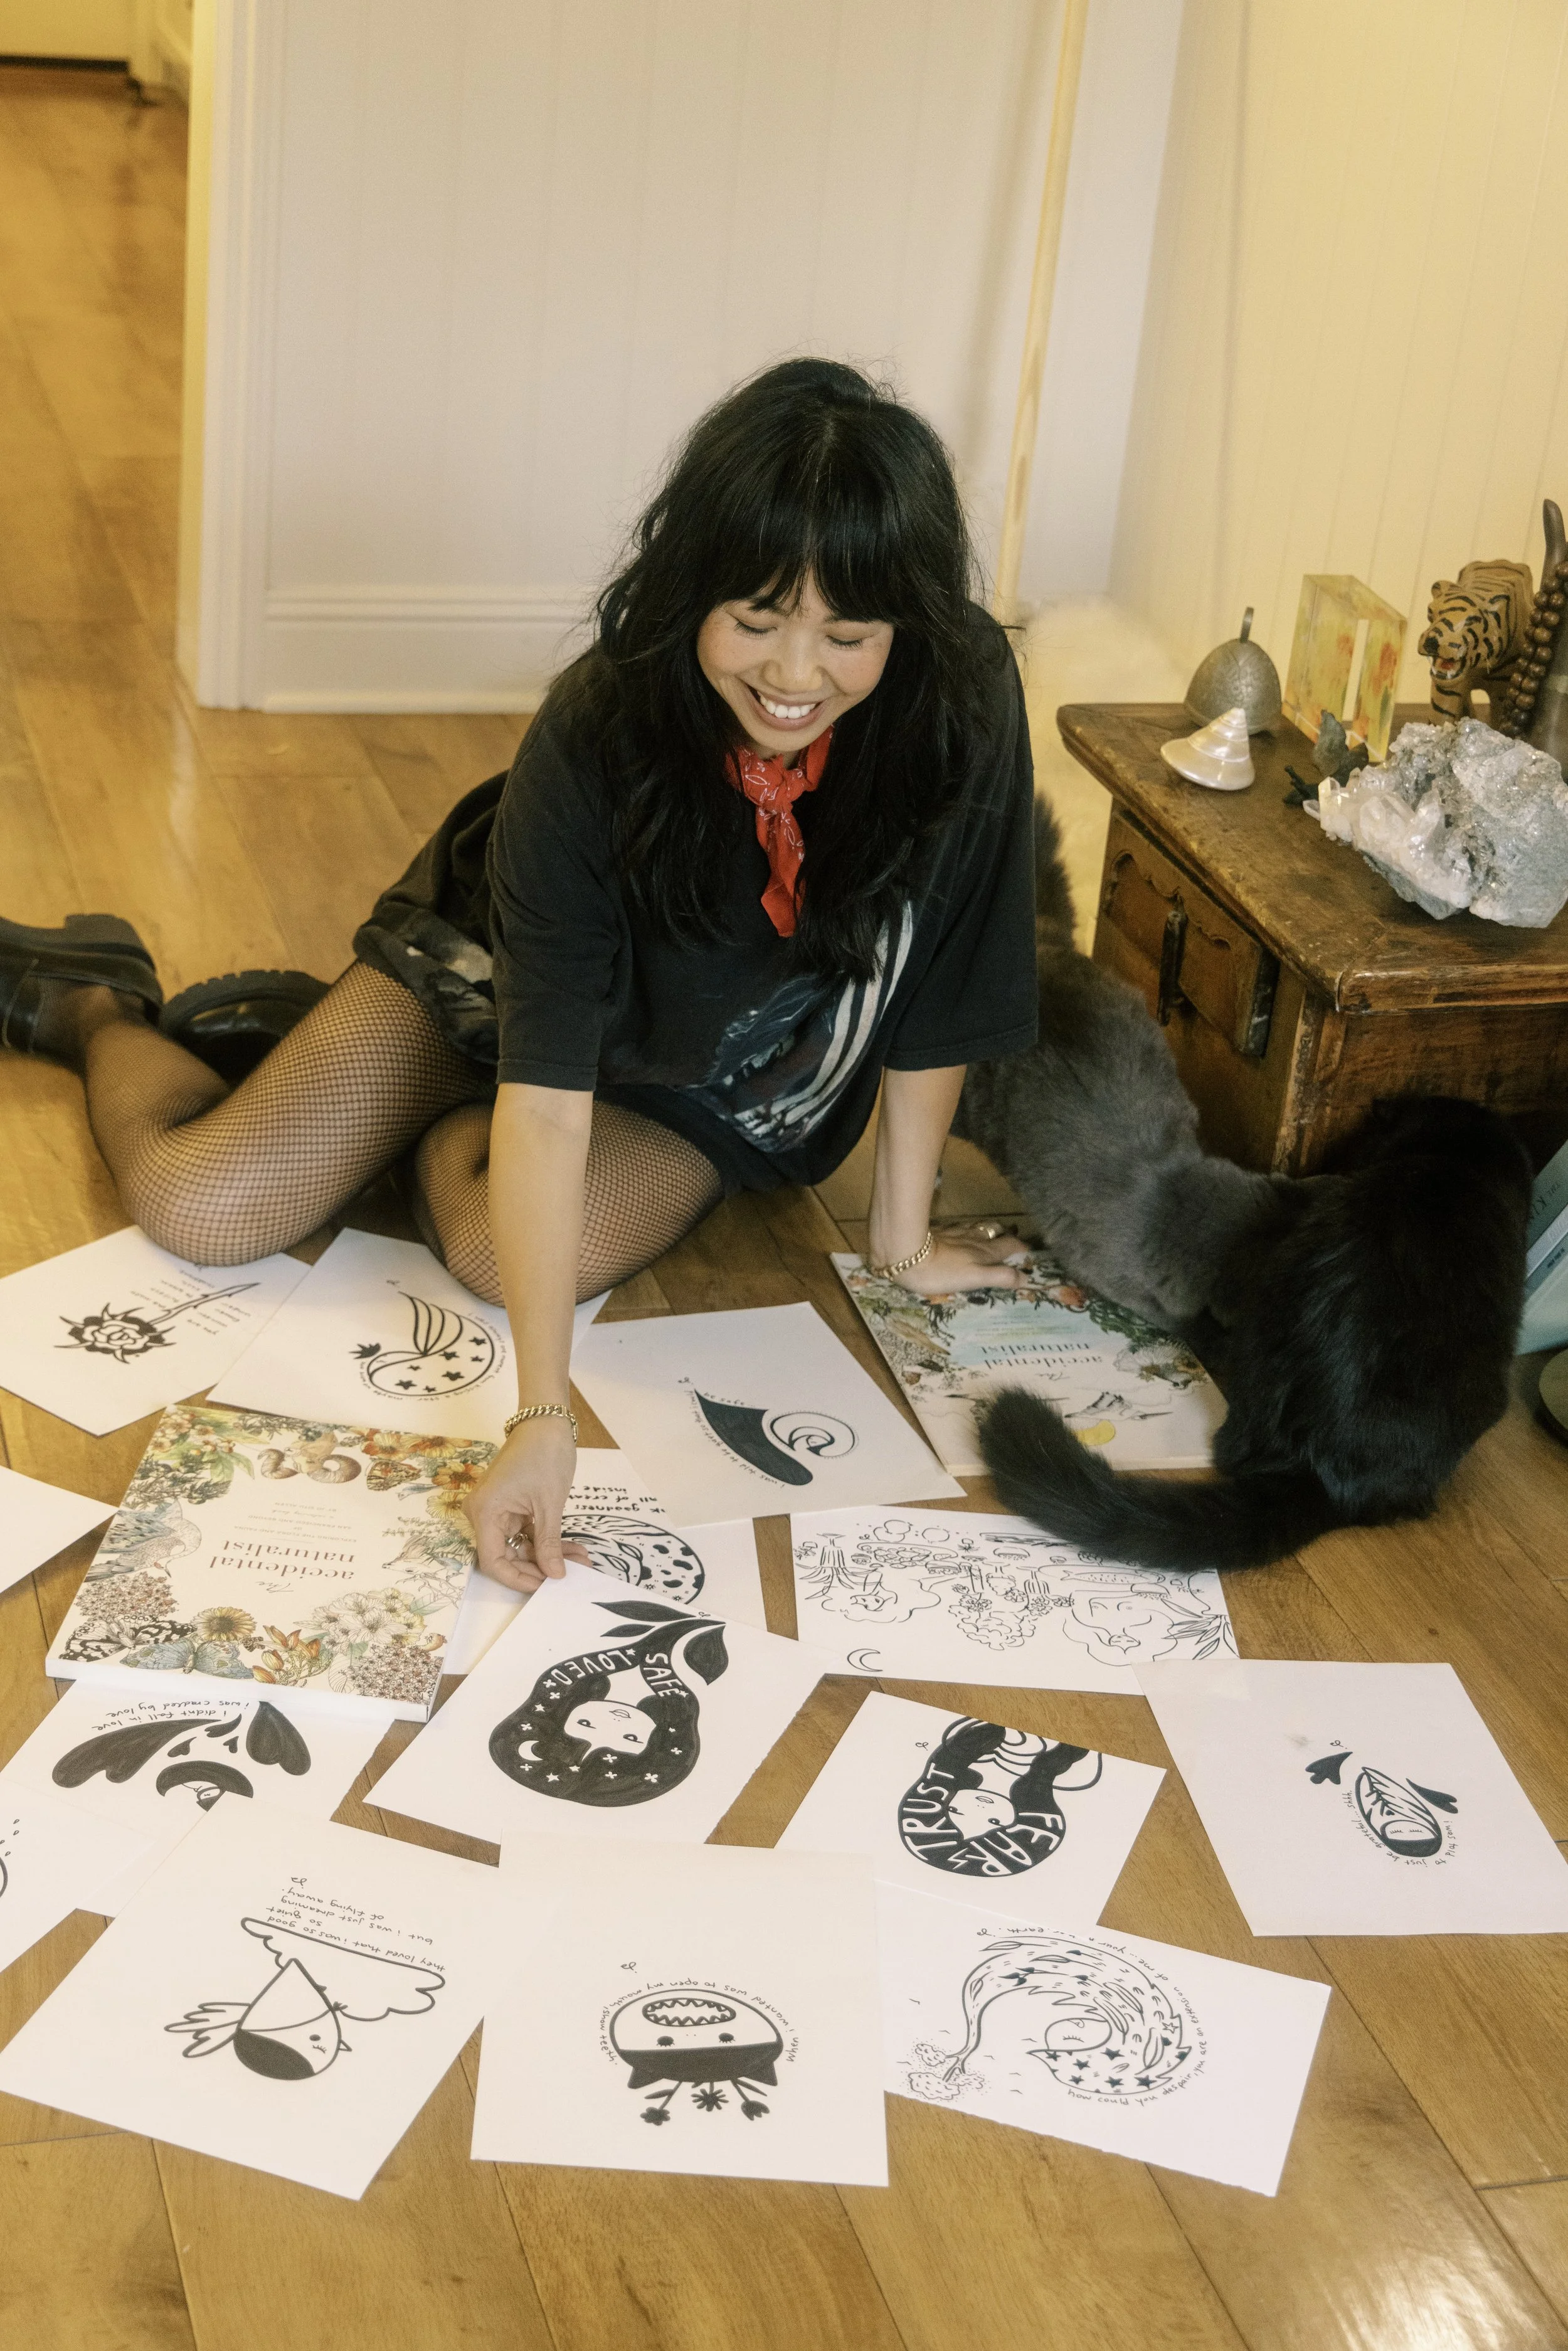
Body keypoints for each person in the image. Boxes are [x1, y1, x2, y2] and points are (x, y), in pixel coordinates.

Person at [0, 359, 1038, 1594]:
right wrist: (539, 1419)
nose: (793, 674)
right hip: (507, 979)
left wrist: (900, 1238)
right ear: (687, 581)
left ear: (905, 626)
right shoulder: (594, 728)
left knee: (504, 1259)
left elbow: (945, 973)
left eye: (845, 634)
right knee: (201, 1205)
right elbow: (547, 1100)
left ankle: (384, 1105)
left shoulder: (960, 697)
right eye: (752, 619)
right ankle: (96, 1000)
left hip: (722, 1064)